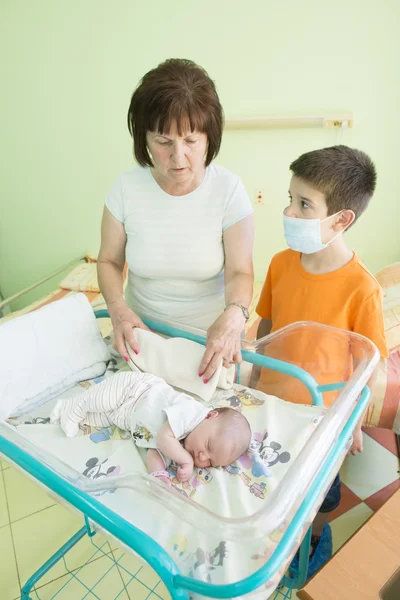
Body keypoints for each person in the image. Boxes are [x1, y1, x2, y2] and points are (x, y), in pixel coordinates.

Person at [252, 145, 388, 578]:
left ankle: (314, 540)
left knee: (319, 498)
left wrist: (355, 423)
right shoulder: (279, 264)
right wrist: (251, 382)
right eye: (289, 199)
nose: (289, 211)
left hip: (322, 420)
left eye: (304, 204)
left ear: (341, 219)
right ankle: (277, 543)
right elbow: (266, 328)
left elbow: (372, 367)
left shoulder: (362, 289)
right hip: (271, 407)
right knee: (272, 487)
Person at [97, 58, 254, 382]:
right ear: (144, 138)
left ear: (210, 137)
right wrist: (117, 309)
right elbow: (109, 261)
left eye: (191, 141)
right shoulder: (126, 188)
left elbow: (240, 272)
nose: (179, 157)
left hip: (206, 349)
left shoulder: (228, 190)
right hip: (140, 343)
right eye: (164, 142)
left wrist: (236, 313)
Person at [50, 372, 251, 485]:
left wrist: (160, 477)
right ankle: (74, 406)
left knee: (98, 418)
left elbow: (155, 450)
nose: (201, 456)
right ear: (210, 415)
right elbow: (164, 438)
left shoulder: (183, 444)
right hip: (135, 390)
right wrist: (186, 460)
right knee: (100, 399)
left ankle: (65, 410)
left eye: (210, 461)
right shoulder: (193, 413)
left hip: (127, 417)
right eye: (208, 445)